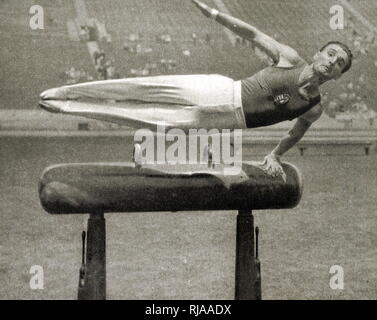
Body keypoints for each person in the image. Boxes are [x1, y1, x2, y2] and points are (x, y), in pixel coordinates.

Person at [39, 0, 352, 178]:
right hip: (218, 92)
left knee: (147, 119)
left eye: (340, 63)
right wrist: (214, 14)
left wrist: (274, 155)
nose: (333, 61)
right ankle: (64, 92)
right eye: (331, 53)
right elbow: (253, 33)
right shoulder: (291, 58)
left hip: (222, 122)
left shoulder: (313, 107)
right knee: (146, 88)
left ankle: (64, 106)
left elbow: (294, 133)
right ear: (317, 54)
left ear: (337, 76)